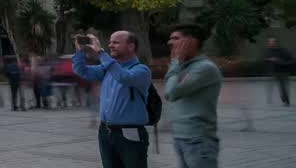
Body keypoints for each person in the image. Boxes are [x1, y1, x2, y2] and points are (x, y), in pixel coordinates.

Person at [73, 31, 153, 168]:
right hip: (106, 131)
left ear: (131, 46)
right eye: (110, 42)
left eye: (115, 42)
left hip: (130, 132)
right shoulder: (108, 68)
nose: (110, 45)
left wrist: (101, 53)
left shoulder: (141, 70)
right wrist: (79, 51)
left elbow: (123, 77)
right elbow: (82, 71)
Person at [165, 23, 222, 168]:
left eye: (176, 38)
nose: (169, 42)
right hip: (181, 138)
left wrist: (175, 62)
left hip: (198, 141)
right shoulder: (183, 67)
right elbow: (170, 89)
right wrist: (177, 65)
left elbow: (171, 93)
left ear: (192, 41)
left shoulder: (204, 68)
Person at [265, 37, 292, 106]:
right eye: (269, 42)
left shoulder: (283, 50)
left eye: (271, 42)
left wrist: (279, 61)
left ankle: (286, 101)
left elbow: (290, 60)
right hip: (275, 71)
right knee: (280, 87)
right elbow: (266, 59)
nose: (269, 44)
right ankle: (284, 98)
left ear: (275, 43)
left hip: (283, 71)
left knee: (283, 87)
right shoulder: (269, 51)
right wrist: (269, 60)